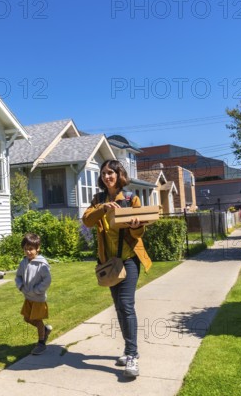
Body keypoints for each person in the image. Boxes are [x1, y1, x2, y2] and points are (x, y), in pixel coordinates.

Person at [82, 159, 152, 378]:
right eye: (104, 173)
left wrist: (136, 226)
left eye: (111, 172)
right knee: (119, 308)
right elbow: (87, 221)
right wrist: (103, 207)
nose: (107, 176)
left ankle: (132, 355)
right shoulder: (98, 199)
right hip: (109, 263)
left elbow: (139, 234)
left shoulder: (131, 198)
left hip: (129, 260)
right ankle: (128, 349)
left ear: (119, 174)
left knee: (126, 304)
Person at [15, 233, 52, 355]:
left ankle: (41, 343)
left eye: (31, 249)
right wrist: (21, 286)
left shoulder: (42, 265)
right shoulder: (23, 262)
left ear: (38, 248)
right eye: (26, 249)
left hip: (38, 298)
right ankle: (45, 330)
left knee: (37, 319)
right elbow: (18, 276)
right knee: (27, 318)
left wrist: (37, 290)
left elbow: (47, 280)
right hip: (28, 297)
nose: (28, 252)